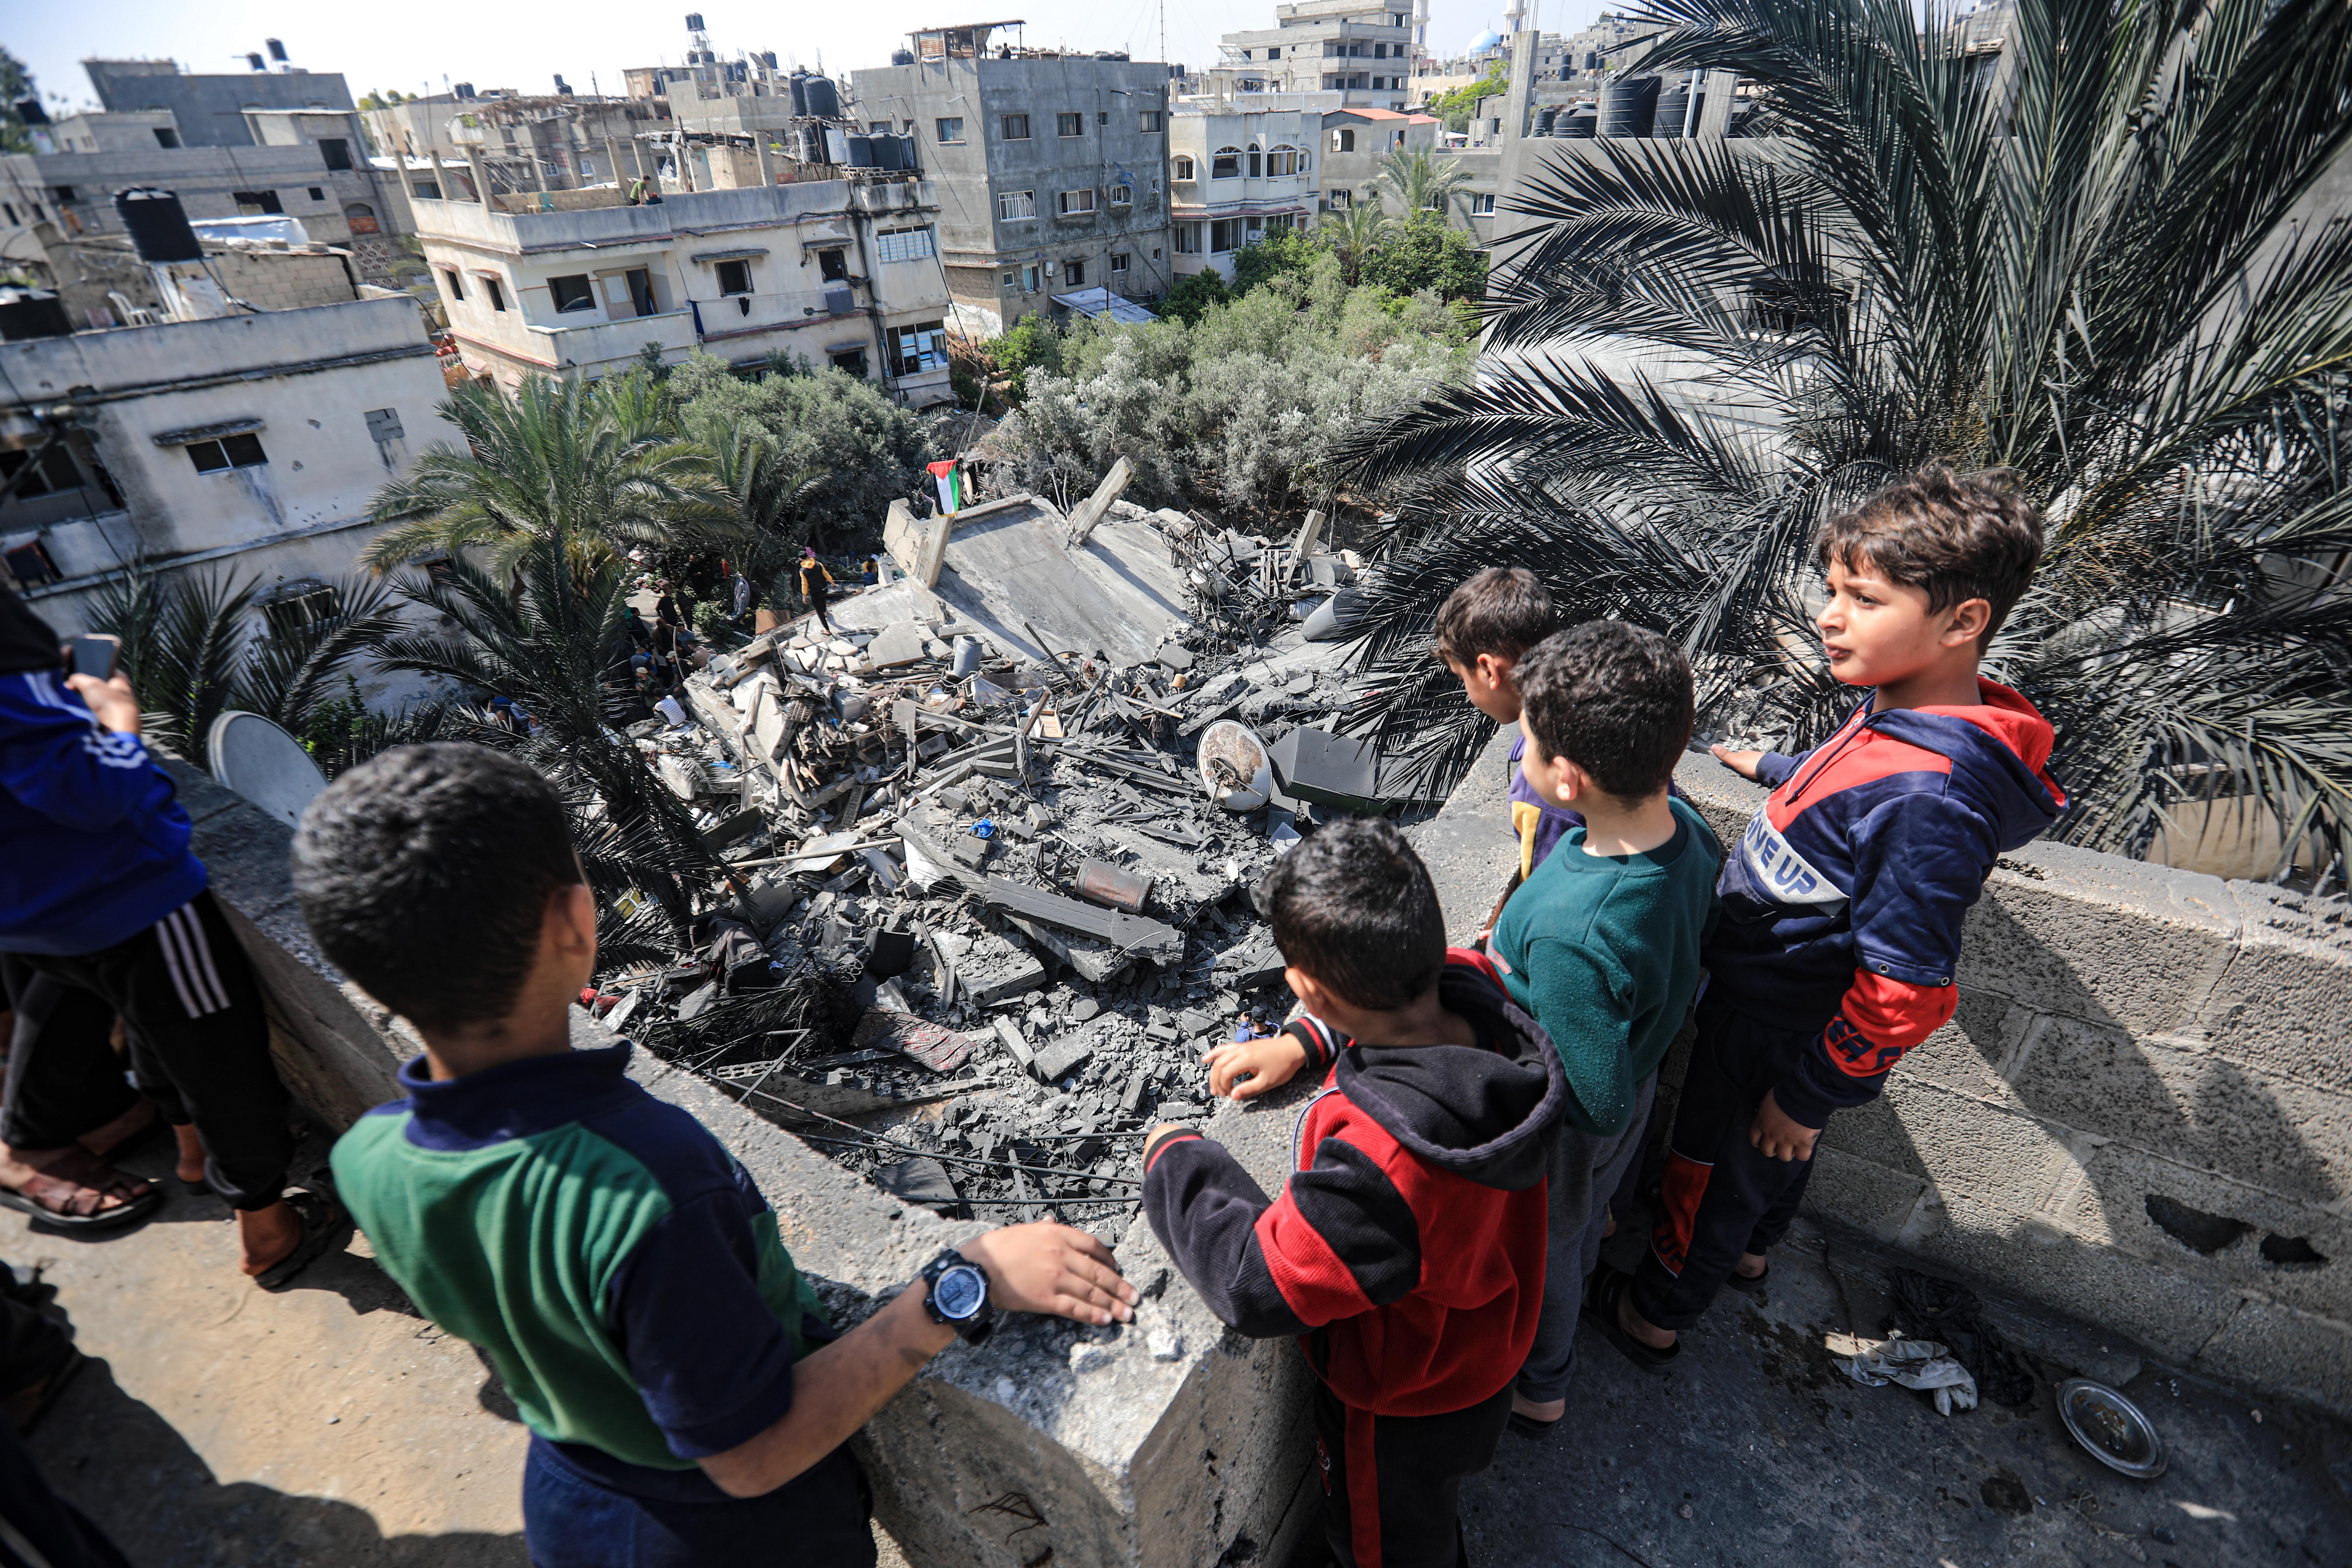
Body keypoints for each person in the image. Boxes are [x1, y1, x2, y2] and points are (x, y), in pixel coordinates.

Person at [294, 744, 1137, 1568]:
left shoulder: (368, 1161)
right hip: (732, 1538)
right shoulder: (650, 1194)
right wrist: (961, 1288)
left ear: (364, 977)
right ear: (576, 924)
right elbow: (751, 1454)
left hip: (571, 1499)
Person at [1603, 465, 2061, 1371]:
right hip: (1774, 1002)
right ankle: (1749, 1250)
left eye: (1863, 596)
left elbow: (1912, 990)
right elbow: (1850, 775)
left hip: (1776, 1022)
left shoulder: (1935, 802)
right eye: (1832, 589)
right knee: (1762, 1166)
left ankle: (1654, 1313)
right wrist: (1778, 768)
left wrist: (1809, 1094)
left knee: (1710, 1167)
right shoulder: (1908, 705)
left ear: (1963, 622)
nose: (1828, 613)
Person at [1143, 819, 1562, 1568]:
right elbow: (1401, 1003)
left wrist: (1177, 1160)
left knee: (1388, 1544)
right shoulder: (1480, 994)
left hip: (1404, 1398)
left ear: (1306, 987)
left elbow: (1256, 1281)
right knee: (1432, 1507)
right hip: (1484, 1348)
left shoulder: (1387, 1161)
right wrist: (1306, 1041)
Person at [0, 583, 343, 1284]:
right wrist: (115, 713)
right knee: (224, 1061)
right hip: (130, 899)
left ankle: (189, 1152)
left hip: (34, 909)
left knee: (153, 1027)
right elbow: (94, 792)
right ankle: (267, 1228)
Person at [1483, 622, 1722, 1434]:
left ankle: (1541, 1385)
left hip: (1576, 1123)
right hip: (1641, 1063)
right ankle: (1583, 1287)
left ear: (1568, 780)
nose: (1520, 760)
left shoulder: (1570, 928)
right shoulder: (1690, 836)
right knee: (1580, 1234)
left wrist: (1508, 991)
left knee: (1548, 1246)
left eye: (1529, 748)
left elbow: (1593, 1096)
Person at [1433, 568, 1572, 889]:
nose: (1468, 695)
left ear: (1488, 670)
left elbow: (1550, 889)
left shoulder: (1540, 786)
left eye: (1462, 677)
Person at [796, 550, 836, 633]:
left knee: (819, 612)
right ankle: (825, 612)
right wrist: (833, 583)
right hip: (824, 589)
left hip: (815, 592)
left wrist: (804, 597)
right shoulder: (818, 564)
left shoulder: (803, 571)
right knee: (822, 599)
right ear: (808, 556)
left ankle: (827, 630)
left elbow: (804, 584)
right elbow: (826, 575)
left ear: (801, 560)